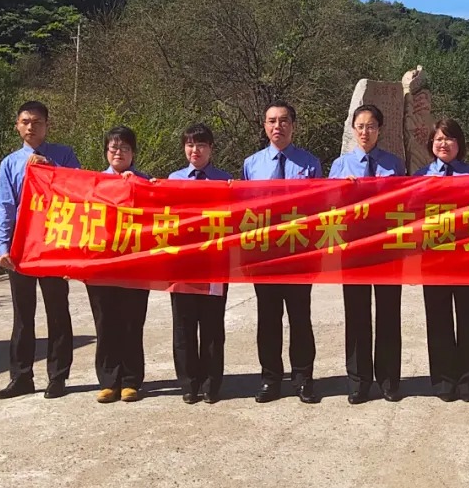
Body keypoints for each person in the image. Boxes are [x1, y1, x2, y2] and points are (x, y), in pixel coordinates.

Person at [0, 101, 80, 400]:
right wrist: (3, 246)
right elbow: (5, 206)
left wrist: (51, 169)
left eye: (38, 121)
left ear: (47, 125)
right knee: (23, 315)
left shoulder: (64, 155)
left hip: (54, 243)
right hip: (22, 247)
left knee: (57, 311)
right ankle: (21, 377)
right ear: (17, 126)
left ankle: (58, 376)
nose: (31, 127)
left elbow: (79, 189)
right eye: (26, 121)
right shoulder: (10, 163)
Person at [242, 100, 323, 404]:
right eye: (272, 121)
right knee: (268, 318)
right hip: (265, 255)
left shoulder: (310, 163)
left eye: (284, 120)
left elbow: (319, 209)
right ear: (265, 126)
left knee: (300, 318)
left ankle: (303, 378)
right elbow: (244, 212)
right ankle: (270, 378)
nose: (278, 126)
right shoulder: (251, 165)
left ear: (294, 125)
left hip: (299, 254)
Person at [328, 104, 406, 404]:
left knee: (389, 314)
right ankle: (358, 381)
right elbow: (328, 207)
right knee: (357, 315)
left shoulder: (394, 164)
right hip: (354, 251)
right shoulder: (340, 166)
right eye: (360, 126)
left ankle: (388, 380)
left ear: (380, 130)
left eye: (371, 126)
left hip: (387, 249)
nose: (365, 132)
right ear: (353, 129)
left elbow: (404, 203)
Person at [417, 118, 469, 402]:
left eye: (449, 138)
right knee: (438, 320)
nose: (443, 144)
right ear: (431, 144)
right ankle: (443, 379)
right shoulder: (420, 176)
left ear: (459, 143)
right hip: (433, 259)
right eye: (438, 139)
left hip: (468, 259)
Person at [167, 123, 231, 405]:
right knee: (183, 326)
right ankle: (188, 383)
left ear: (211, 149)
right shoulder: (173, 180)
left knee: (212, 326)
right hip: (182, 263)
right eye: (190, 145)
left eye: (201, 145)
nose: (195, 150)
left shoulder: (225, 181)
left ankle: (211, 383)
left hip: (214, 264)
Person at [87, 126, 151, 404]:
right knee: (105, 322)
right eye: (113, 148)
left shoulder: (146, 182)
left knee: (131, 322)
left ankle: (131, 380)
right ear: (106, 152)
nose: (118, 153)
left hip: (136, 265)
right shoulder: (94, 184)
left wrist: (136, 186)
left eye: (124, 148)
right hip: (101, 266)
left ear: (133, 153)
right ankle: (108, 381)